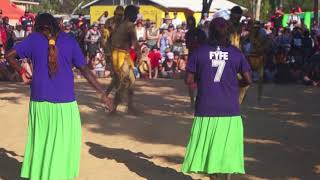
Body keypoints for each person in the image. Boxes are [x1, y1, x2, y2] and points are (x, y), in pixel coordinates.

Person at [4, 13, 113, 180]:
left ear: (38, 26)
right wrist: (103, 94)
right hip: (65, 103)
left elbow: (9, 55)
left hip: (39, 102)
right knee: (63, 143)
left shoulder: (33, 39)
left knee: (41, 141)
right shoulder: (69, 40)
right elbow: (85, 70)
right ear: (57, 25)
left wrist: (22, 73)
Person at [181, 17, 252, 180]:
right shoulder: (236, 53)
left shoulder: (199, 52)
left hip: (206, 107)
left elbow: (189, 80)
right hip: (230, 109)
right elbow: (248, 80)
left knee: (209, 147)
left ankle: (213, 178)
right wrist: (235, 83)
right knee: (228, 148)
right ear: (228, 33)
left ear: (210, 32)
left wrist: (203, 79)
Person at [109, 5, 140, 114]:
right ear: (130, 14)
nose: (136, 17)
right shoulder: (130, 26)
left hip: (120, 55)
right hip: (120, 56)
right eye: (135, 14)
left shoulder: (120, 25)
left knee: (131, 80)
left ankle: (129, 106)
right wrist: (139, 55)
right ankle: (113, 107)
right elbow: (135, 43)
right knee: (125, 82)